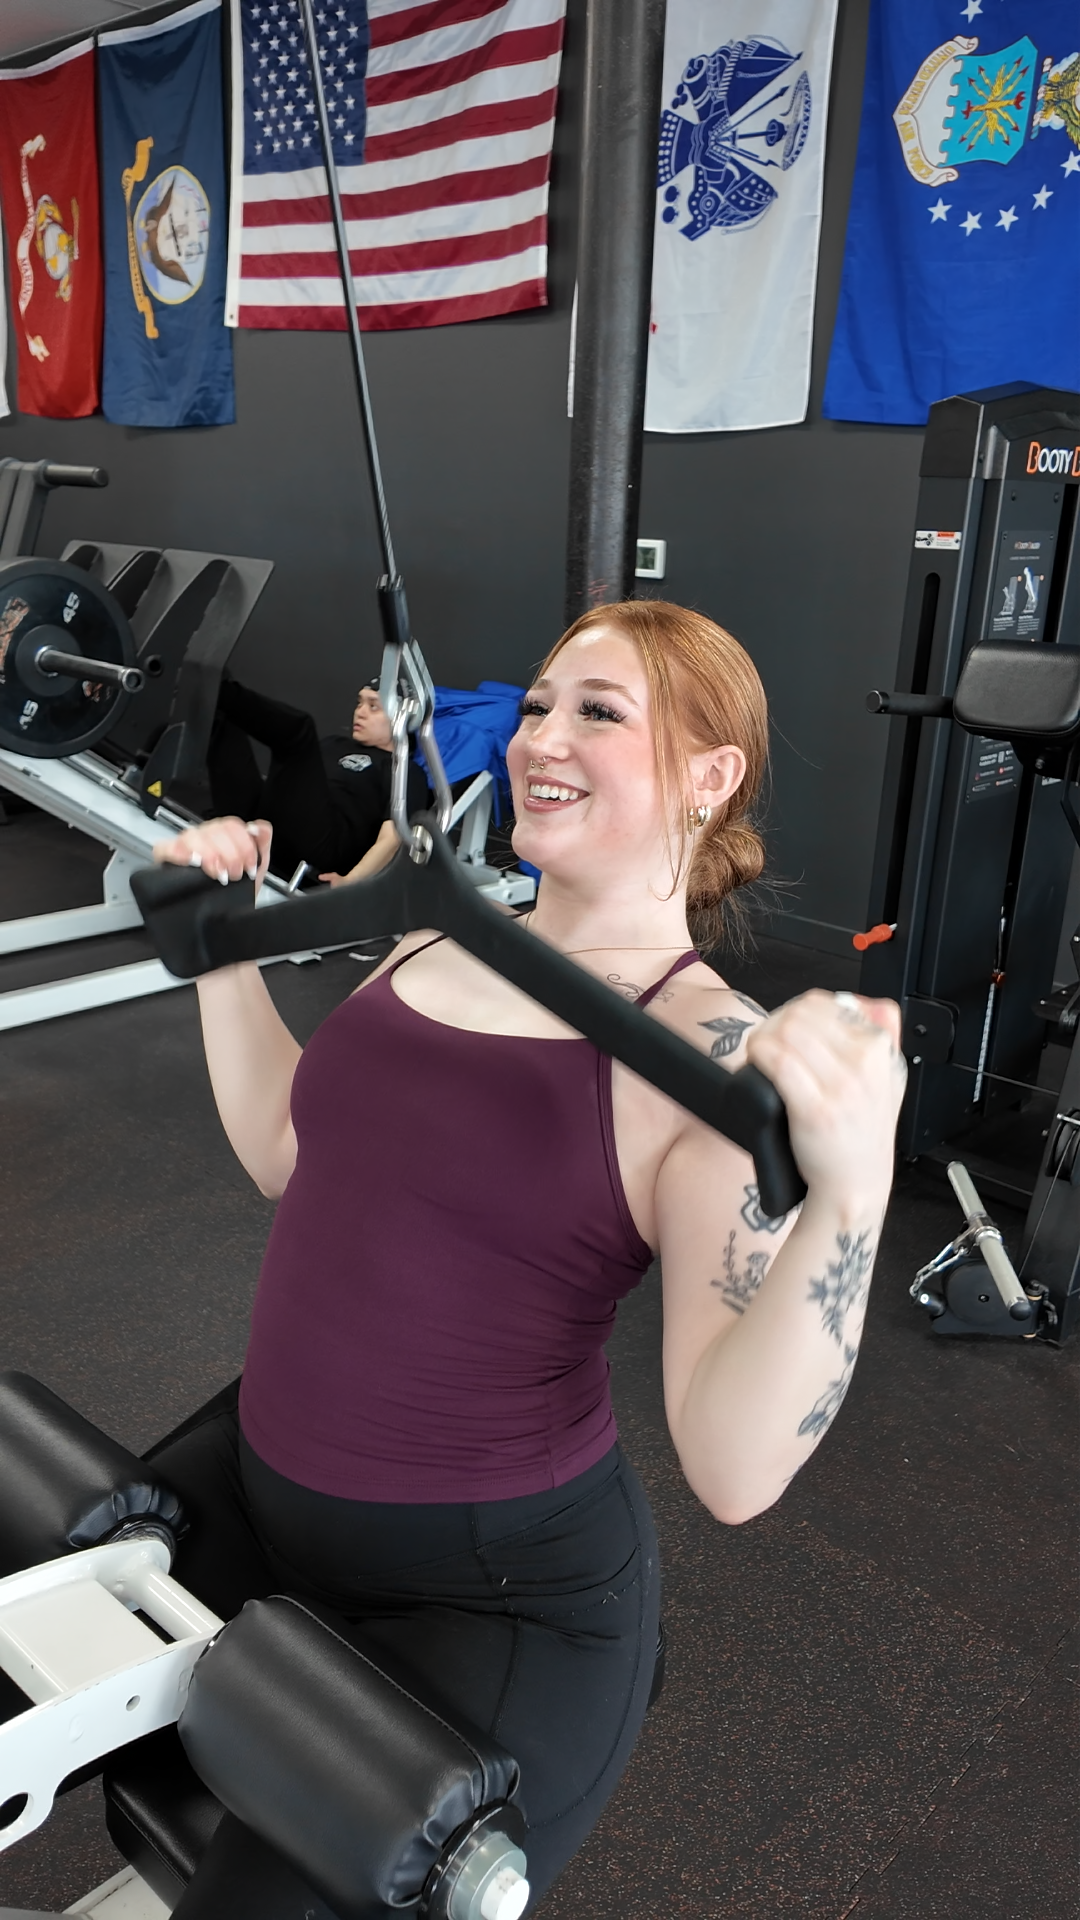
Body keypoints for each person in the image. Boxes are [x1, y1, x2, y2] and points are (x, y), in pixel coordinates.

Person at [150, 600, 906, 1908]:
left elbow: (733, 1469)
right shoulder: (438, 936)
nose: (540, 737)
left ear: (710, 775)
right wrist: (222, 955)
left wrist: (855, 1193)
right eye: (540, 704)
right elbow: (287, 1153)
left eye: (598, 712)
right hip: (260, 1482)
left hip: (491, 1599)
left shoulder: (708, 1055)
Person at [206, 675, 431, 885]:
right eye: (359, 703)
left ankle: (219, 688)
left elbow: (392, 838)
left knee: (299, 731)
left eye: (373, 707)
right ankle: (208, 683)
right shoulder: (334, 743)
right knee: (224, 720)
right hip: (268, 827)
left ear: (402, 719)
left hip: (322, 847)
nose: (360, 712)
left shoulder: (407, 771)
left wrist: (350, 882)